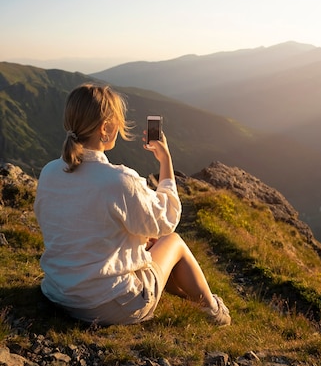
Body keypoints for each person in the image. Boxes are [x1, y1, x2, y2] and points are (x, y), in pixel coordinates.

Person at [34, 83, 231, 326]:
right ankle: (213, 310)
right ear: (105, 128)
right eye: (117, 121)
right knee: (173, 242)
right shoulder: (118, 180)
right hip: (107, 305)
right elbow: (167, 219)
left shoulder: (50, 172)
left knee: (147, 241)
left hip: (58, 292)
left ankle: (191, 297)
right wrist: (165, 159)